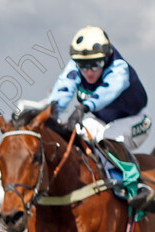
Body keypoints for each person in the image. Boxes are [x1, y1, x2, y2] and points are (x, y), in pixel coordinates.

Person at [48, 26, 154, 211]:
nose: (88, 71)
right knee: (80, 130)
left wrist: (85, 106)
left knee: (108, 137)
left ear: (105, 59)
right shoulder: (76, 67)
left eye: (95, 64)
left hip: (137, 121)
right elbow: (62, 90)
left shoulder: (119, 68)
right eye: (83, 65)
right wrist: (49, 113)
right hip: (105, 122)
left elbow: (107, 91)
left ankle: (136, 186)